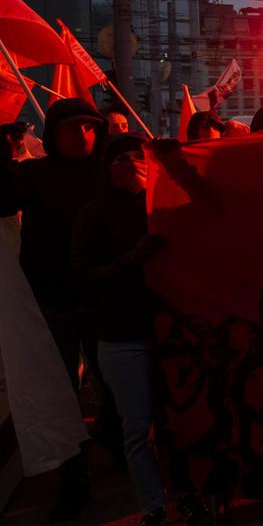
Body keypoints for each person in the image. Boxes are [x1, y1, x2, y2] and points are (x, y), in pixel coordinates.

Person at [72, 134, 212, 526]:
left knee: (179, 422)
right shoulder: (93, 214)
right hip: (122, 336)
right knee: (137, 428)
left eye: (138, 156)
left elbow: (211, 204)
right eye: (120, 158)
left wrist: (177, 162)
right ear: (106, 166)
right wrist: (132, 260)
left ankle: (188, 497)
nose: (130, 163)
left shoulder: (165, 204)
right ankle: (152, 505)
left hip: (173, 332)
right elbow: (86, 276)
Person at [0, 98, 111, 520]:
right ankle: (73, 478)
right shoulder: (33, 175)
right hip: (52, 300)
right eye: (71, 128)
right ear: (53, 133)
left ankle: (115, 439)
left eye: (89, 127)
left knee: (115, 384)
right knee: (60, 393)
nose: (82, 135)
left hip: (104, 299)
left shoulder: (111, 171)